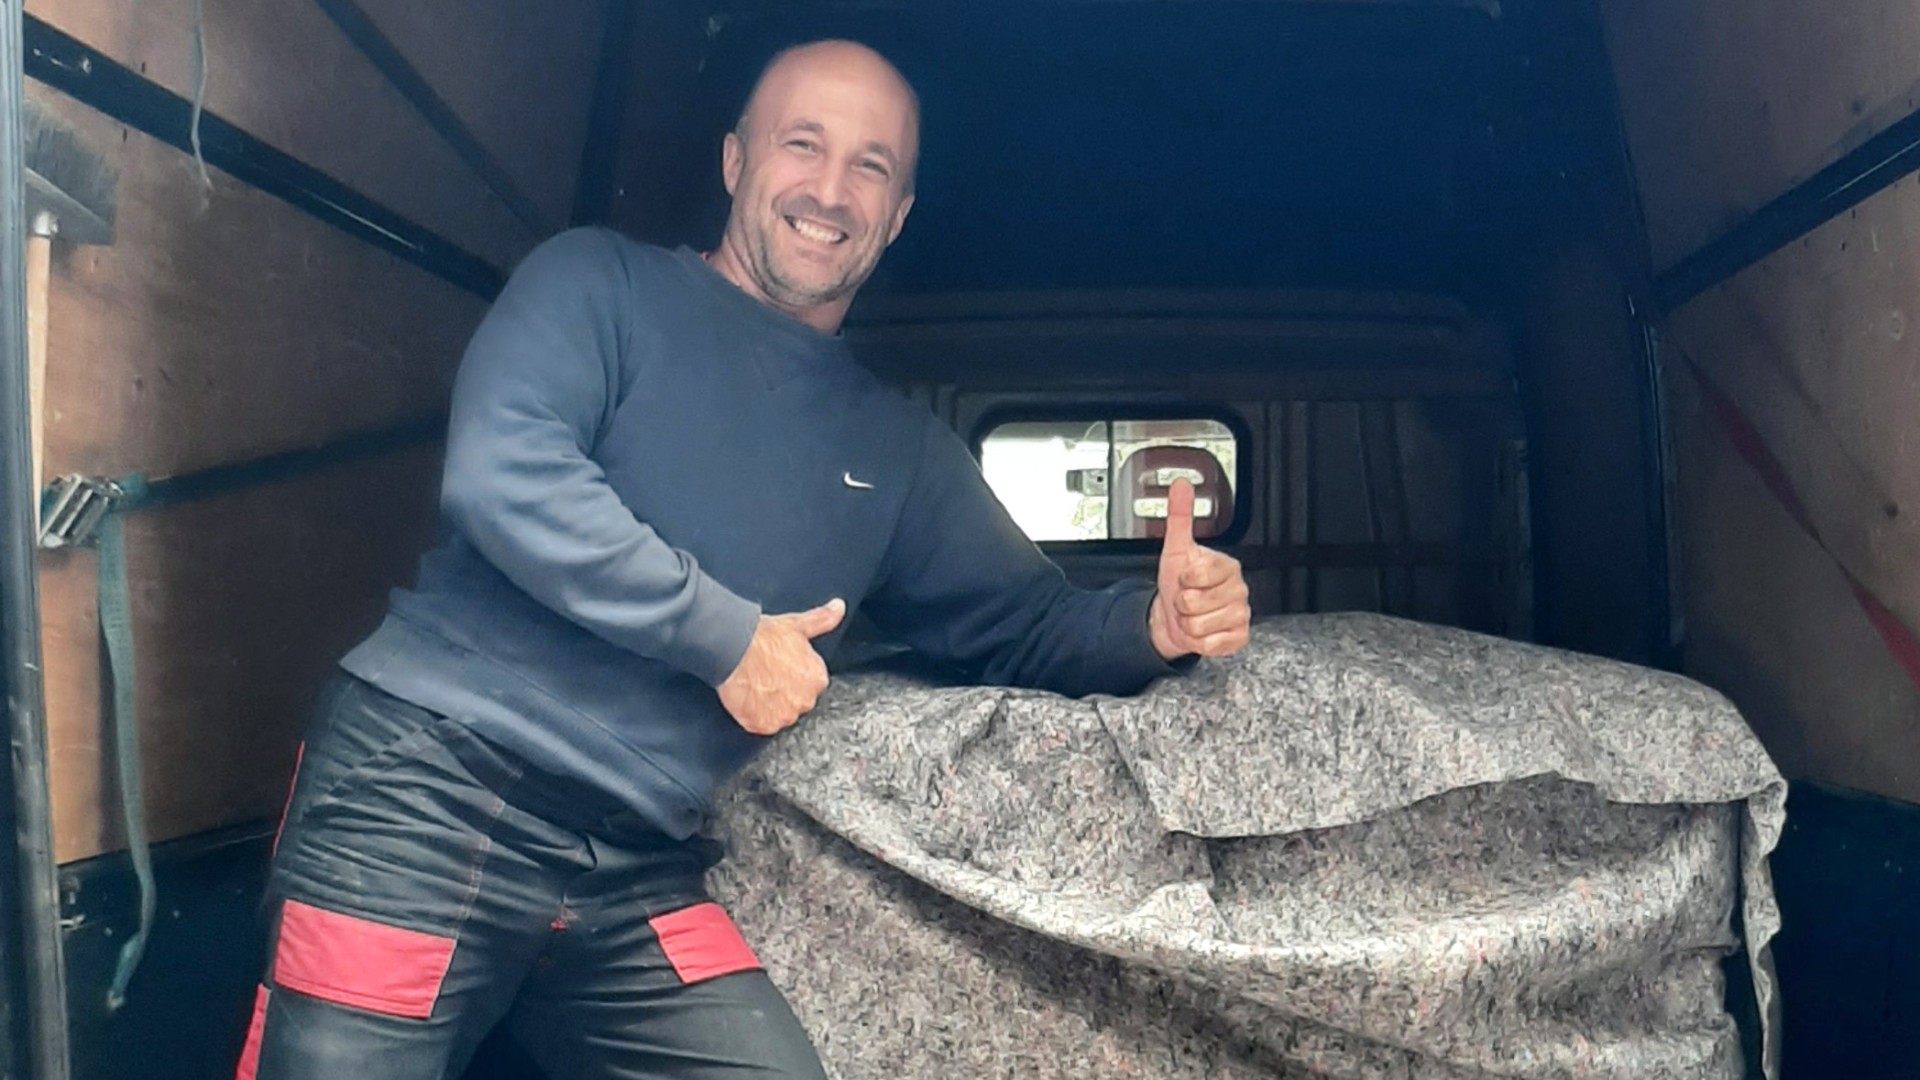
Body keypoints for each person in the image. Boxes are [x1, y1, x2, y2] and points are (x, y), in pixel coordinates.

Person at [234, 38, 1251, 1080]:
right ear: (734, 162)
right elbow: (507, 473)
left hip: (631, 869)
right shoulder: (598, 282)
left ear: (898, 214)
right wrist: (724, 638)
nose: (830, 189)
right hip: (422, 792)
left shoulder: (894, 450)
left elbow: (1031, 622)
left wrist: (1155, 625)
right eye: (801, 144)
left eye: (871, 166)